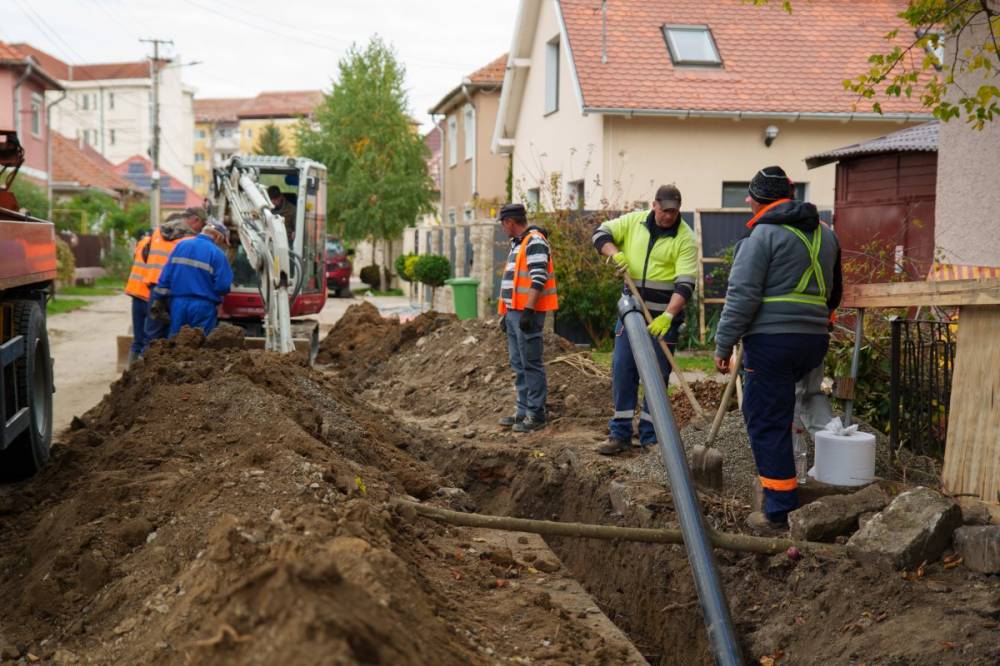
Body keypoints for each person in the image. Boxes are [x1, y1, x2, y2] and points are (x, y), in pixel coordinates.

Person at [714, 166, 842, 534]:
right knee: (800, 407)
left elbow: (742, 296)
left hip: (772, 342)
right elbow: (834, 292)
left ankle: (779, 510)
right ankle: (823, 479)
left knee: (767, 420)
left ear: (758, 199)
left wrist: (724, 344)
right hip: (813, 340)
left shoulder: (761, 236)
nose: (747, 203)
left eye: (749, 197)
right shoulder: (826, 235)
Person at [591, 185, 698, 455]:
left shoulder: (685, 237)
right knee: (624, 370)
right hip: (631, 313)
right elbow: (600, 234)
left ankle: (651, 436)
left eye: (674, 211)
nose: (669, 216)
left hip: (663, 317)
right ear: (654, 205)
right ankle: (620, 434)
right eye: (665, 211)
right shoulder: (633, 221)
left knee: (658, 376)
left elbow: (685, 285)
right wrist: (614, 253)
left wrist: (669, 315)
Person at [496, 203, 558, 433]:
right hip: (514, 313)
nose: (503, 228)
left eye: (503, 224)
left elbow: (538, 278)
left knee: (531, 363)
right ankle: (522, 411)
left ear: (510, 222)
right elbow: (514, 283)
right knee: (518, 363)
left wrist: (529, 311)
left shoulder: (535, 242)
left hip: (526, 314)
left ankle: (536, 413)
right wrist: (506, 313)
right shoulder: (519, 243)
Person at [150, 218, 233, 337]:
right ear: (218, 237)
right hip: (203, 306)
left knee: (176, 340)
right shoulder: (217, 253)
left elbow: (166, 276)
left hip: (178, 303)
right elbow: (223, 286)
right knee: (201, 344)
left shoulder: (181, 246)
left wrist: (158, 299)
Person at [142, 207, 206, 351]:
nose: (201, 229)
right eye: (202, 225)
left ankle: (143, 368)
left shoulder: (158, 231)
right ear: (195, 219)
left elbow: (145, 254)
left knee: (152, 332)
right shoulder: (190, 239)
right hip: (174, 289)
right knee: (174, 334)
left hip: (155, 286)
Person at [123, 228, 152, 367]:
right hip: (150, 297)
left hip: (136, 293)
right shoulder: (167, 245)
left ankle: (129, 377)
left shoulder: (142, 242)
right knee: (149, 340)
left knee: (138, 339)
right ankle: (142, 376)